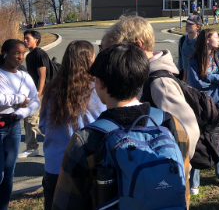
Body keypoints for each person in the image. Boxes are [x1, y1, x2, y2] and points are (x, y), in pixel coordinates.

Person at [52, 43, 192, 210]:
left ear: (100, 83)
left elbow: (65, 203)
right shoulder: (171, 124)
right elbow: (183, 189)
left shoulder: (86, 140)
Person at [101, 16, 200, 161]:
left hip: (160, 177)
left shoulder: (160, 84)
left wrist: (161, 167)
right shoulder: (141, 77)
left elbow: (189, 131)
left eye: (119, 53)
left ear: (137, 47)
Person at [39, 40, 106, 210]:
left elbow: (42, 126)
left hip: (54, 166)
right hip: (87, 165)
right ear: (89, 60)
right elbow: (103, 126)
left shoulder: (51, 90)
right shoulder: (96, 90)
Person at [188, 29, 219, 195]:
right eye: (216, 36)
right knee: (197, 138)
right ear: (207, 40)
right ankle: (194, 182)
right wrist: (214, 79)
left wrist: (206, 76)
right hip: (200, 104)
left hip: (218, 102)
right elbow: (195, 83)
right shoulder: (195, 58)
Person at [0, 40, 40, 210]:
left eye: (23, 53)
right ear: (4, 53)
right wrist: (19, 99)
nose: (20, 57)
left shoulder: (24, 76)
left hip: (14, 125)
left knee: (9, 173)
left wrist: (21, 113)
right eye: (16, 53)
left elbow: (35, 101)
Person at [20, 30, 49, 158]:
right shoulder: (30, 55)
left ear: (36, 40)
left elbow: (42, 76)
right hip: (33, 92)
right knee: (31, 119)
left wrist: (39, 93)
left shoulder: (39, 54)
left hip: (39, 92)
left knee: (31, 119)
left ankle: (32, 148)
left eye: (27, 38)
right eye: (24, 38)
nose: (25, 40)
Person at [177, 15, 202, 80]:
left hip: (196, 81)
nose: (187, 25)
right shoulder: (182, 40)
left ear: (198, 27)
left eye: (190, 24)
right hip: (184, 81)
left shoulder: (201, 42)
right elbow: (180, 61)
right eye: (186, 23)